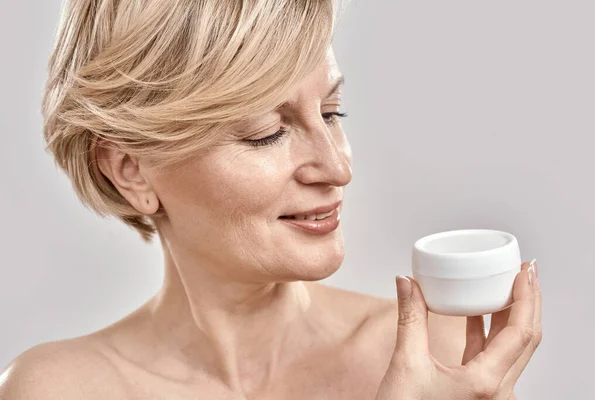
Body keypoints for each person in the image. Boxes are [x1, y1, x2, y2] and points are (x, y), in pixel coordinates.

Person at [0, 0, 542, 399]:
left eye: (332, 114)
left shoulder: (435, 363)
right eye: (265, 132)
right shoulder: (56, 389)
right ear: (130, 171)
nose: (338, 168)